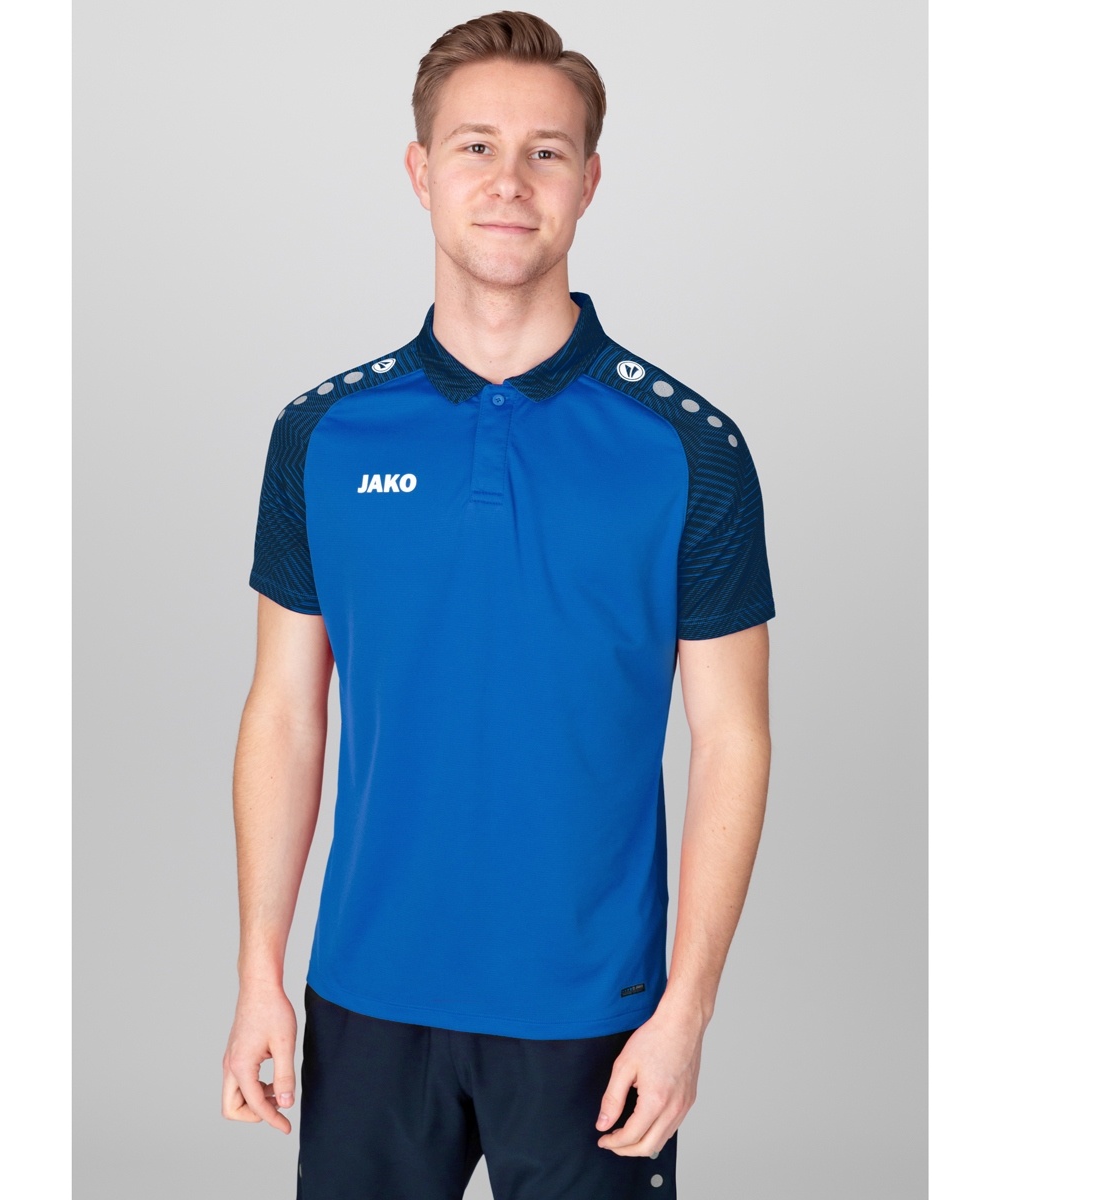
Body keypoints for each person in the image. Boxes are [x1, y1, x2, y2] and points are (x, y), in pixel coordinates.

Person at [221, 11, 775, 1199]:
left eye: (546, 152)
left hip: (598, 1014)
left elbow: (733, 736)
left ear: (589, 182)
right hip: (367, 996)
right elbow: (284, 713)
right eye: (475, 147)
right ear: (421, 172)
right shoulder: (321, 437)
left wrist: (686, 1012)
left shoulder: (689, 450)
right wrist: (259, 970)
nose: (510, 182)